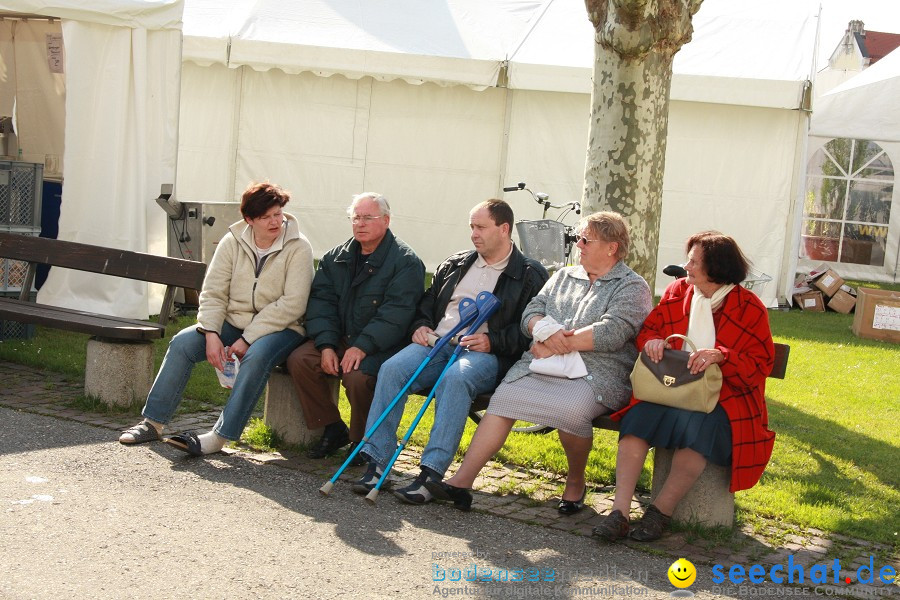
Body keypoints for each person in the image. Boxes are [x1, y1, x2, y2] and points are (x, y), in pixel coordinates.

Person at [426, 212, 652, 512]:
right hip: (539, 363)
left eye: (585, 240)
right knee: (503, 400)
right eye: (577, 239)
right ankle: (462, 481)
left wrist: (558, 344)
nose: (578, 245)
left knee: (571, 412)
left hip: (595, 372)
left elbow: (613, 331)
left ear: (611, 247)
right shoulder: (563, 276)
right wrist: (542, 331)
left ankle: (575, 482)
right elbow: (531, 312)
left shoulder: (632, 286)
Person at [354, 199, 549, 504]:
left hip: (485, 355)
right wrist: (420, 325)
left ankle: (430, 473)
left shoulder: (529, 273)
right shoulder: (457, 262)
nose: (474, 234)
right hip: (438, 344)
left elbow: (529, 325)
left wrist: (493, 341)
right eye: (471, 226)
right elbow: (428, 303)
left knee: (455, 380)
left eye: (481, 227)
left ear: (504, 229)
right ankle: (377, 462)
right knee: (392, 368)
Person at [593, 231, 775, 542]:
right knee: (637, 422)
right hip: (670, 387)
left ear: (715, 268)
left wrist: (722, 356)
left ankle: (659, 513)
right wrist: (651, 342)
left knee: (700, 431)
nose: (685, 267)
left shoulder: (749, 307)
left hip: (723, 396)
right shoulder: (678, 291)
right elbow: (650, 330)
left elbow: (760, 365)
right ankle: (619, 513)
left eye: (693, 262)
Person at [119, 182, 314, 455]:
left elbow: (293, 304)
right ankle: (152, 423)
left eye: (278, 214)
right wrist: (210, 333)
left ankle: (219, 437)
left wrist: (248, 338)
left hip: (283, 329)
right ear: (249, 219)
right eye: (266, 217)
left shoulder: (298, 247)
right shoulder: (232, 241)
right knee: (182, 344)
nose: (275, 222)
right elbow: (213, 292)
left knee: (256, 357)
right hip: (233, 322)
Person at [286, 193, 425, 463]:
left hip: (383, 344)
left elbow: (396, 315)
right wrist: (326, 345)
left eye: (367, 218)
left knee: (358, 377)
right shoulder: (334, 258)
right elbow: (321, 304)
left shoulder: (405, 262)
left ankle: (363, 440)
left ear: (386, 220)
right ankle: (332, 426)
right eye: (355, 217)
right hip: (340, 338)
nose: (360, 224)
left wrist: (362, 346)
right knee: (300, 359)